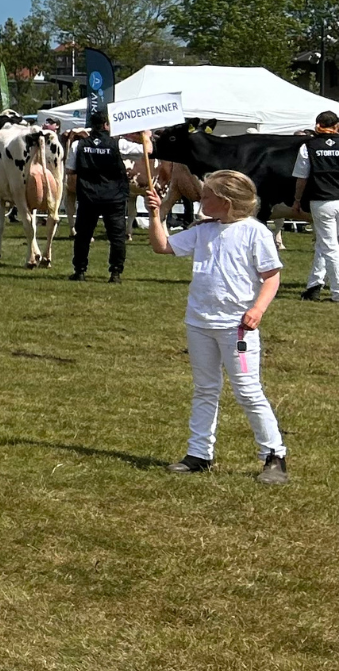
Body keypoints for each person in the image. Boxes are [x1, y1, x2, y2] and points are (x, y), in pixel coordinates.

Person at [143, 170, 289, 485]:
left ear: (224, 202)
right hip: (199, 322)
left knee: (248, 391)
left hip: (236, 327)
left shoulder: (255, 232)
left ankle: (273, 456)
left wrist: (257, 309)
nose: (201, 200)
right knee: (205, 389)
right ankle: (199, 454)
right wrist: (155, 214)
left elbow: (272, 276)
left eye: (206, 196)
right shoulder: (203, 231)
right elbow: (162, 247)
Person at [67, 112, 142, 283]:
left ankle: (79, 271)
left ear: (91, 125)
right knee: (116, 237)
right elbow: (147, 151)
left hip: (88, 196)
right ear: (107, 125)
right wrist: (144, 136)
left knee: (83, 236)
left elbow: (70, 170)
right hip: (113, 197)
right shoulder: (118, 144)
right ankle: (115, 273)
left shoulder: (78, 145)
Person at [289, 111, 339, 301]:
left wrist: (297, 200)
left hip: (322, 200)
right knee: (326, 245)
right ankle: (315, 284)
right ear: (336, 125)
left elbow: (302, 178)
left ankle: (337, 292)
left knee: (329, 246)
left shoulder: (308, 146)